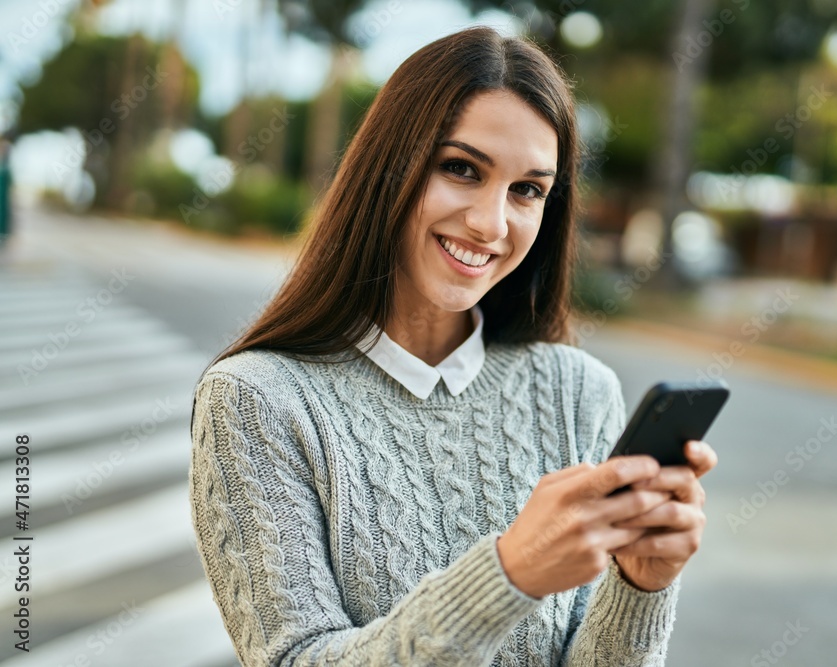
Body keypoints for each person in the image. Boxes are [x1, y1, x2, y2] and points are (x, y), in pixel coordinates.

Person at [188, 25, 717, 667]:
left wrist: (641, 586)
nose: (491, 223)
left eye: (528, 190)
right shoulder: (256, 401)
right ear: (388, 170)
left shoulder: (579, 391)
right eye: (461, 169)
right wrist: (508, 576)